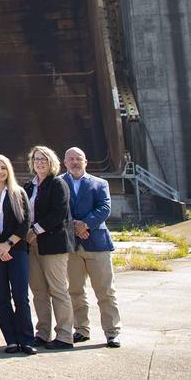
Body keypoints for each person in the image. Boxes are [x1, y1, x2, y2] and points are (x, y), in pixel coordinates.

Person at [61, 147, 121, 348]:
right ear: (65, 162)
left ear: (85, 162)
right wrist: (74, 227)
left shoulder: (100, 183)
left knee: (105, 291)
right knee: (75, 291)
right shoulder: (59, 183)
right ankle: (81, 330)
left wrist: (85, 224)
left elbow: (104, 208)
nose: (75, 162)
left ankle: (112, 333)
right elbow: (57, 210)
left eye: (78, 159)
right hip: (72, 245)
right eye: (71, 159)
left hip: (97, 244)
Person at [0, 154, 34, 354]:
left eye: (3, 167)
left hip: (16, 251)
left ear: (8, 170)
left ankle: (27, 339)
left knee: (21, 296)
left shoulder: (18, 192)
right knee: (2, 297)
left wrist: (8, 245)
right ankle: (10, 339)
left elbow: (25, 222)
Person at [25, 145, 75, 349]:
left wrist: (35, 230)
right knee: (38, 291)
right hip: (32, 245)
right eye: (36, 159)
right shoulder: (29, 186)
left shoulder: (57, 184)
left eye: (43, 159)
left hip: (53, 244)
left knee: (58, 290)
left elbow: (59, 213)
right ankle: (43, 333)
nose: (39, 162)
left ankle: (64, 335)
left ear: (51, 161)